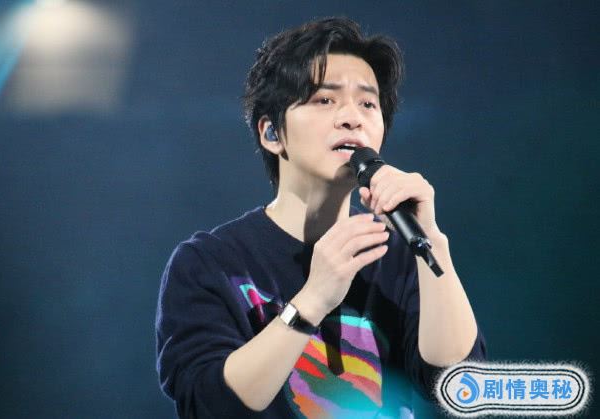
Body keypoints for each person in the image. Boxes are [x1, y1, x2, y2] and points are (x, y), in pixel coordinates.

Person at [156, 17, 486, 418]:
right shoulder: (210, 263)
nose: (352, 117)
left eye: (368, 104)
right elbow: (209, 404)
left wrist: (430, 239)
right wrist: (313, 298)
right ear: (271, 133)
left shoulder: (399, 253)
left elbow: (459, 384)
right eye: (325, 100)